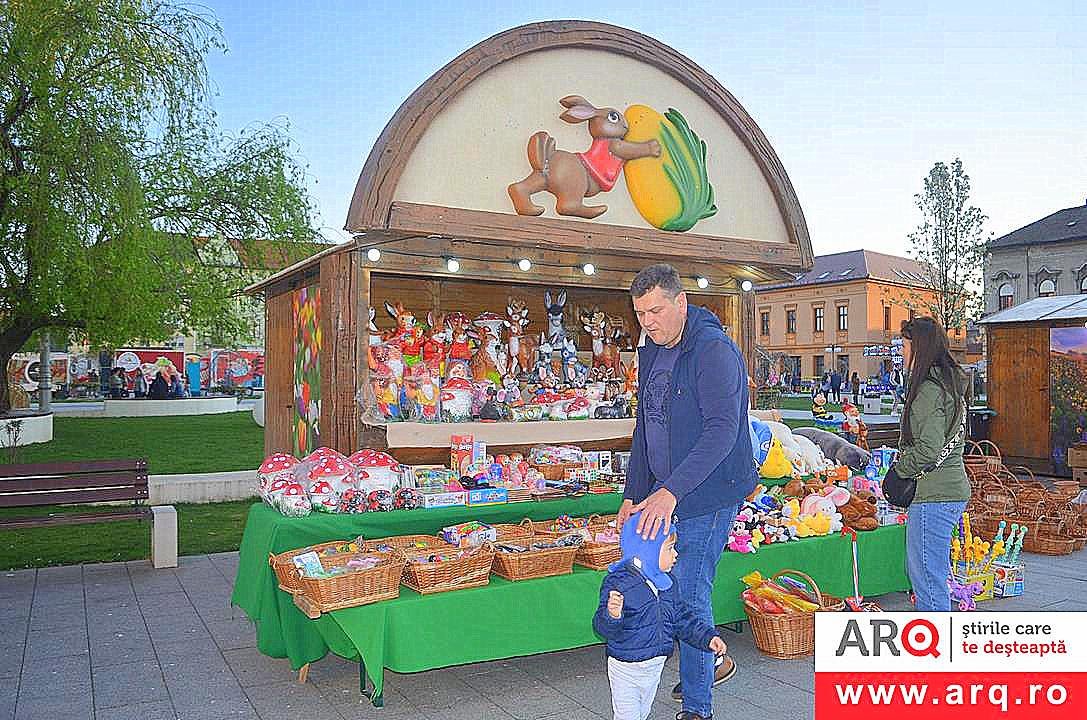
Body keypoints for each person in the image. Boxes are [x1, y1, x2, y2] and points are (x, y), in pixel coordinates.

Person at [619, 263, 753, 720]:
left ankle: (697, 707)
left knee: (690, 591)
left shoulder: (714, 351)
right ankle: (710, 660)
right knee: (670, 587)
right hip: (667, 491)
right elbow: (647, 425)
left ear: (681, 302)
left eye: (656, 311)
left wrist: (670, 491)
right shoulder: (652, 350)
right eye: (640, 314)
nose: (648, 322)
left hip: (708, 493)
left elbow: (722, 431)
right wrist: (634, 492)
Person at [594, 511, 727, 720]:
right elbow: (602, 628)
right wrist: (612, 615)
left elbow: (682, 619)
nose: (676, 554)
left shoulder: (667, 584)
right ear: (647, 550)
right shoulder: (619, 583)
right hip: (626, 667)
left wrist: (707, 637)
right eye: (669, 548)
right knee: (628, 715)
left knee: (643, 712)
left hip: (654, 665)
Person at [891, 317, 969, 612]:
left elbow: (928, 448)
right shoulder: (948, 384)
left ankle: (935, 638)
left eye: (904, 345)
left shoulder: (928, 389)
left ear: (919, 347)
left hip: (933, 494)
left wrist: (899, 470)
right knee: (932, 575)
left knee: (927, 580)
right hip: (948, 489)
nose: (901, 352)